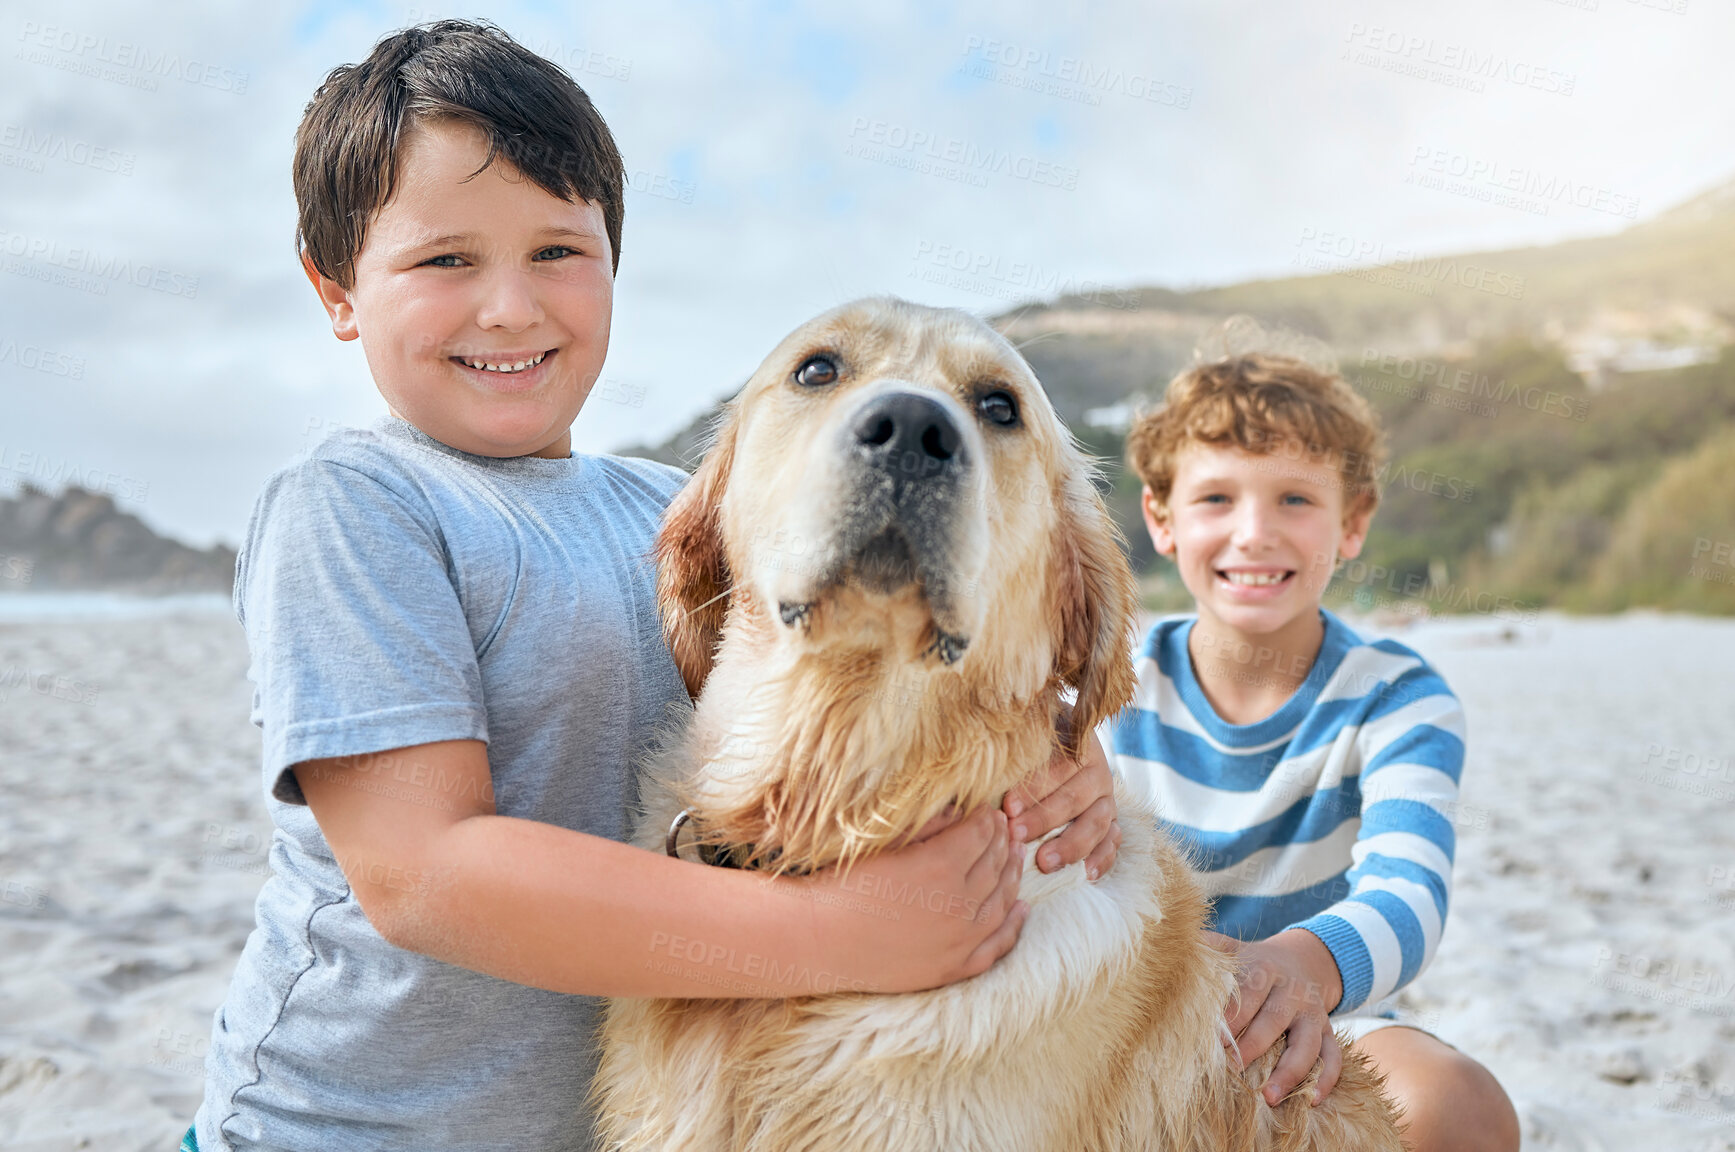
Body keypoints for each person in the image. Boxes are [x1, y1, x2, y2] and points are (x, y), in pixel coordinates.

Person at [186, 21, 1121, 1151]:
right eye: (446, 261)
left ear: (612, 262)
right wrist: (842, 936)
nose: (509, 307)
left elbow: (888, 677)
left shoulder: (663, 512)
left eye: (556, 252)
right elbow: (426, 873)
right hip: (334, 1130)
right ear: (336, 290)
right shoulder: (353, 504)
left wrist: (1067, 760)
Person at [1107, 351, 1520, 1151]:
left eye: (1294, 498)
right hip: (1130, 1015)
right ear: (1161, 519)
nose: (1254, 532)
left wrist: (1290, 970)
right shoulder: (1109, 683)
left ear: (1352, 521)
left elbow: (1408, 897)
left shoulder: (1398, 697)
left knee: (1457, 1103)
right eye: (1216, 498)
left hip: (1329, 1015)